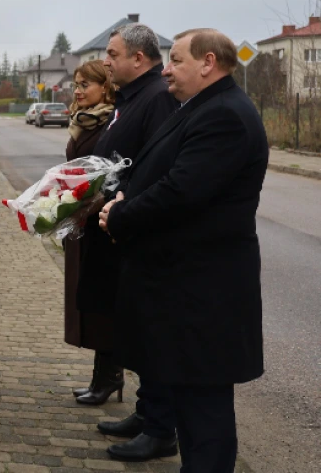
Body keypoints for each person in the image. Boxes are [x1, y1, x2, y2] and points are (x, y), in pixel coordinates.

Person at [99, 28, 268, 473]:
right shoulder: (201, 107)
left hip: (204, 292)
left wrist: (122, 215)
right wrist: (124, 198)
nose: (166, 69)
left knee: (204, 412)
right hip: (186, 289)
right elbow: (161, 172)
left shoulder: (225, 116)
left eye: (174, 60)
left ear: (208, 62)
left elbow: (181, 192)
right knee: (192, 404)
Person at [75, 24, 180, 462]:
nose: (109, 60)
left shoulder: (155, 98)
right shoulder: (135, 96)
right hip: (116, 223)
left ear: (139, 58)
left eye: (113, 54)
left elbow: (155, 166)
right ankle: (146, 413)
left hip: (132, 228)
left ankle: (160, 426)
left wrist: (118, 201)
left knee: (149, 333)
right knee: (133, 327)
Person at [62, 60, 117, 398]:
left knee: (102, 303)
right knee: (90, 300)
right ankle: (103, 376)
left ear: (105, 87)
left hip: (101, 220)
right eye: (76, 85)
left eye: (86, 85)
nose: (79, 91)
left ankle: (108, 377)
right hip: (81, 220)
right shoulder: (82, 121)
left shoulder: (110, 122)